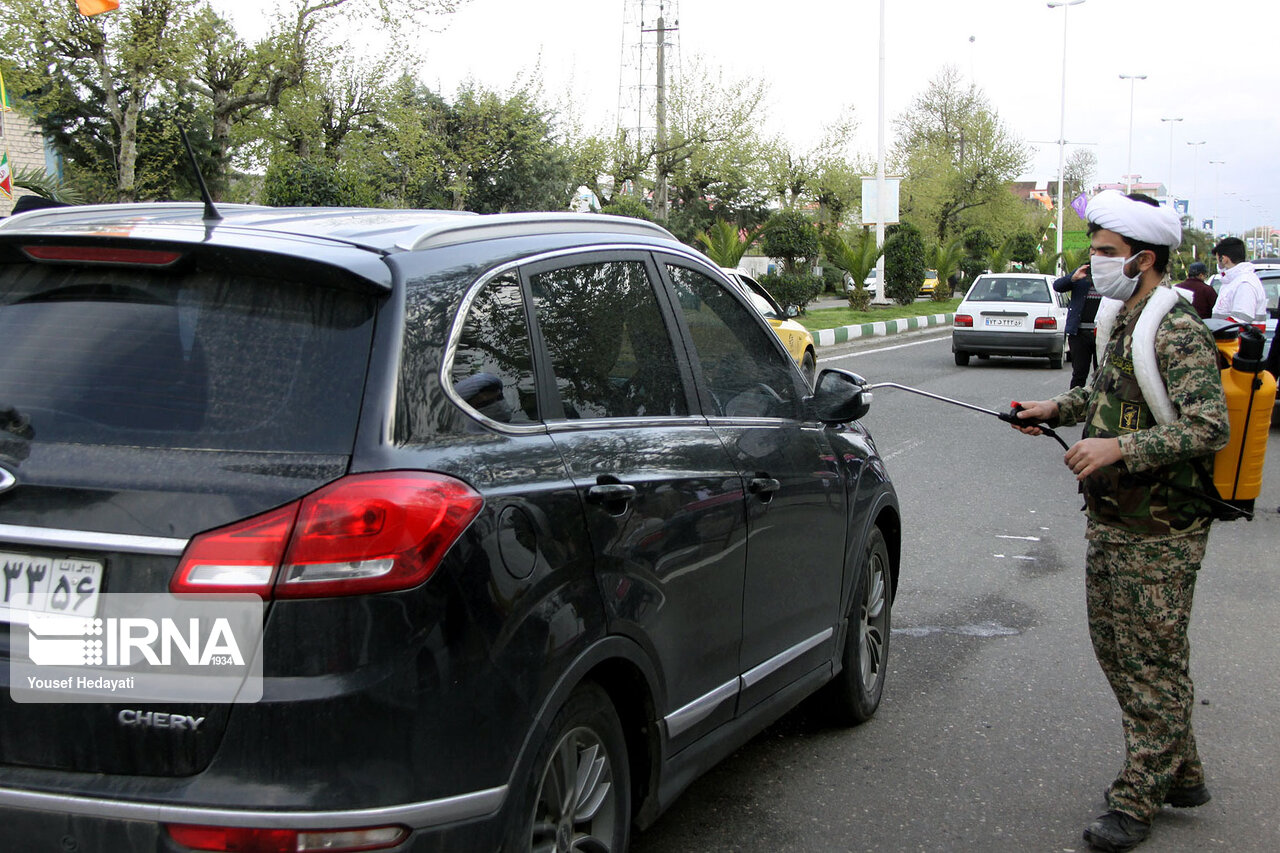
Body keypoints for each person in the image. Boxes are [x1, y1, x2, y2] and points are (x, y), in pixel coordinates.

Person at [1012, 191, 1229, 852]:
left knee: (1148, 660)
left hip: (1163, 526)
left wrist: (1118, 449)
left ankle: (1138, 799)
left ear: (1143, 259)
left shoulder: (1175, 325)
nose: (1093, 261)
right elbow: (1106, 392)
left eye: (1105, 252)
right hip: (1113, 516)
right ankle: (1181, 771)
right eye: (1094, 249)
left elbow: (1208, 424)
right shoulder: (1120, 316)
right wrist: (1055, 407)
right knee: (1123, 651)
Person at [1054, 262, 1102, 388]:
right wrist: (1073, 278)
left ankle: (1097, 405)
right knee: (1079, 374)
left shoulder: (1111, 274)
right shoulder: (1082, 271)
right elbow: (1058, 286)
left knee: (1102, 374)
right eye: (1093, 253)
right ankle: (1074, 405)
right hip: (1079, 333)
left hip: (1102, 333)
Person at [1210, 237, 1267, 324]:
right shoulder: (1232, 282)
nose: (1217, 263)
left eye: (1217, 259)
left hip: (1238, 337)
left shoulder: (1244, 284)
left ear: (1224, 259)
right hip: (1228, 337)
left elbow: (1239, 322)